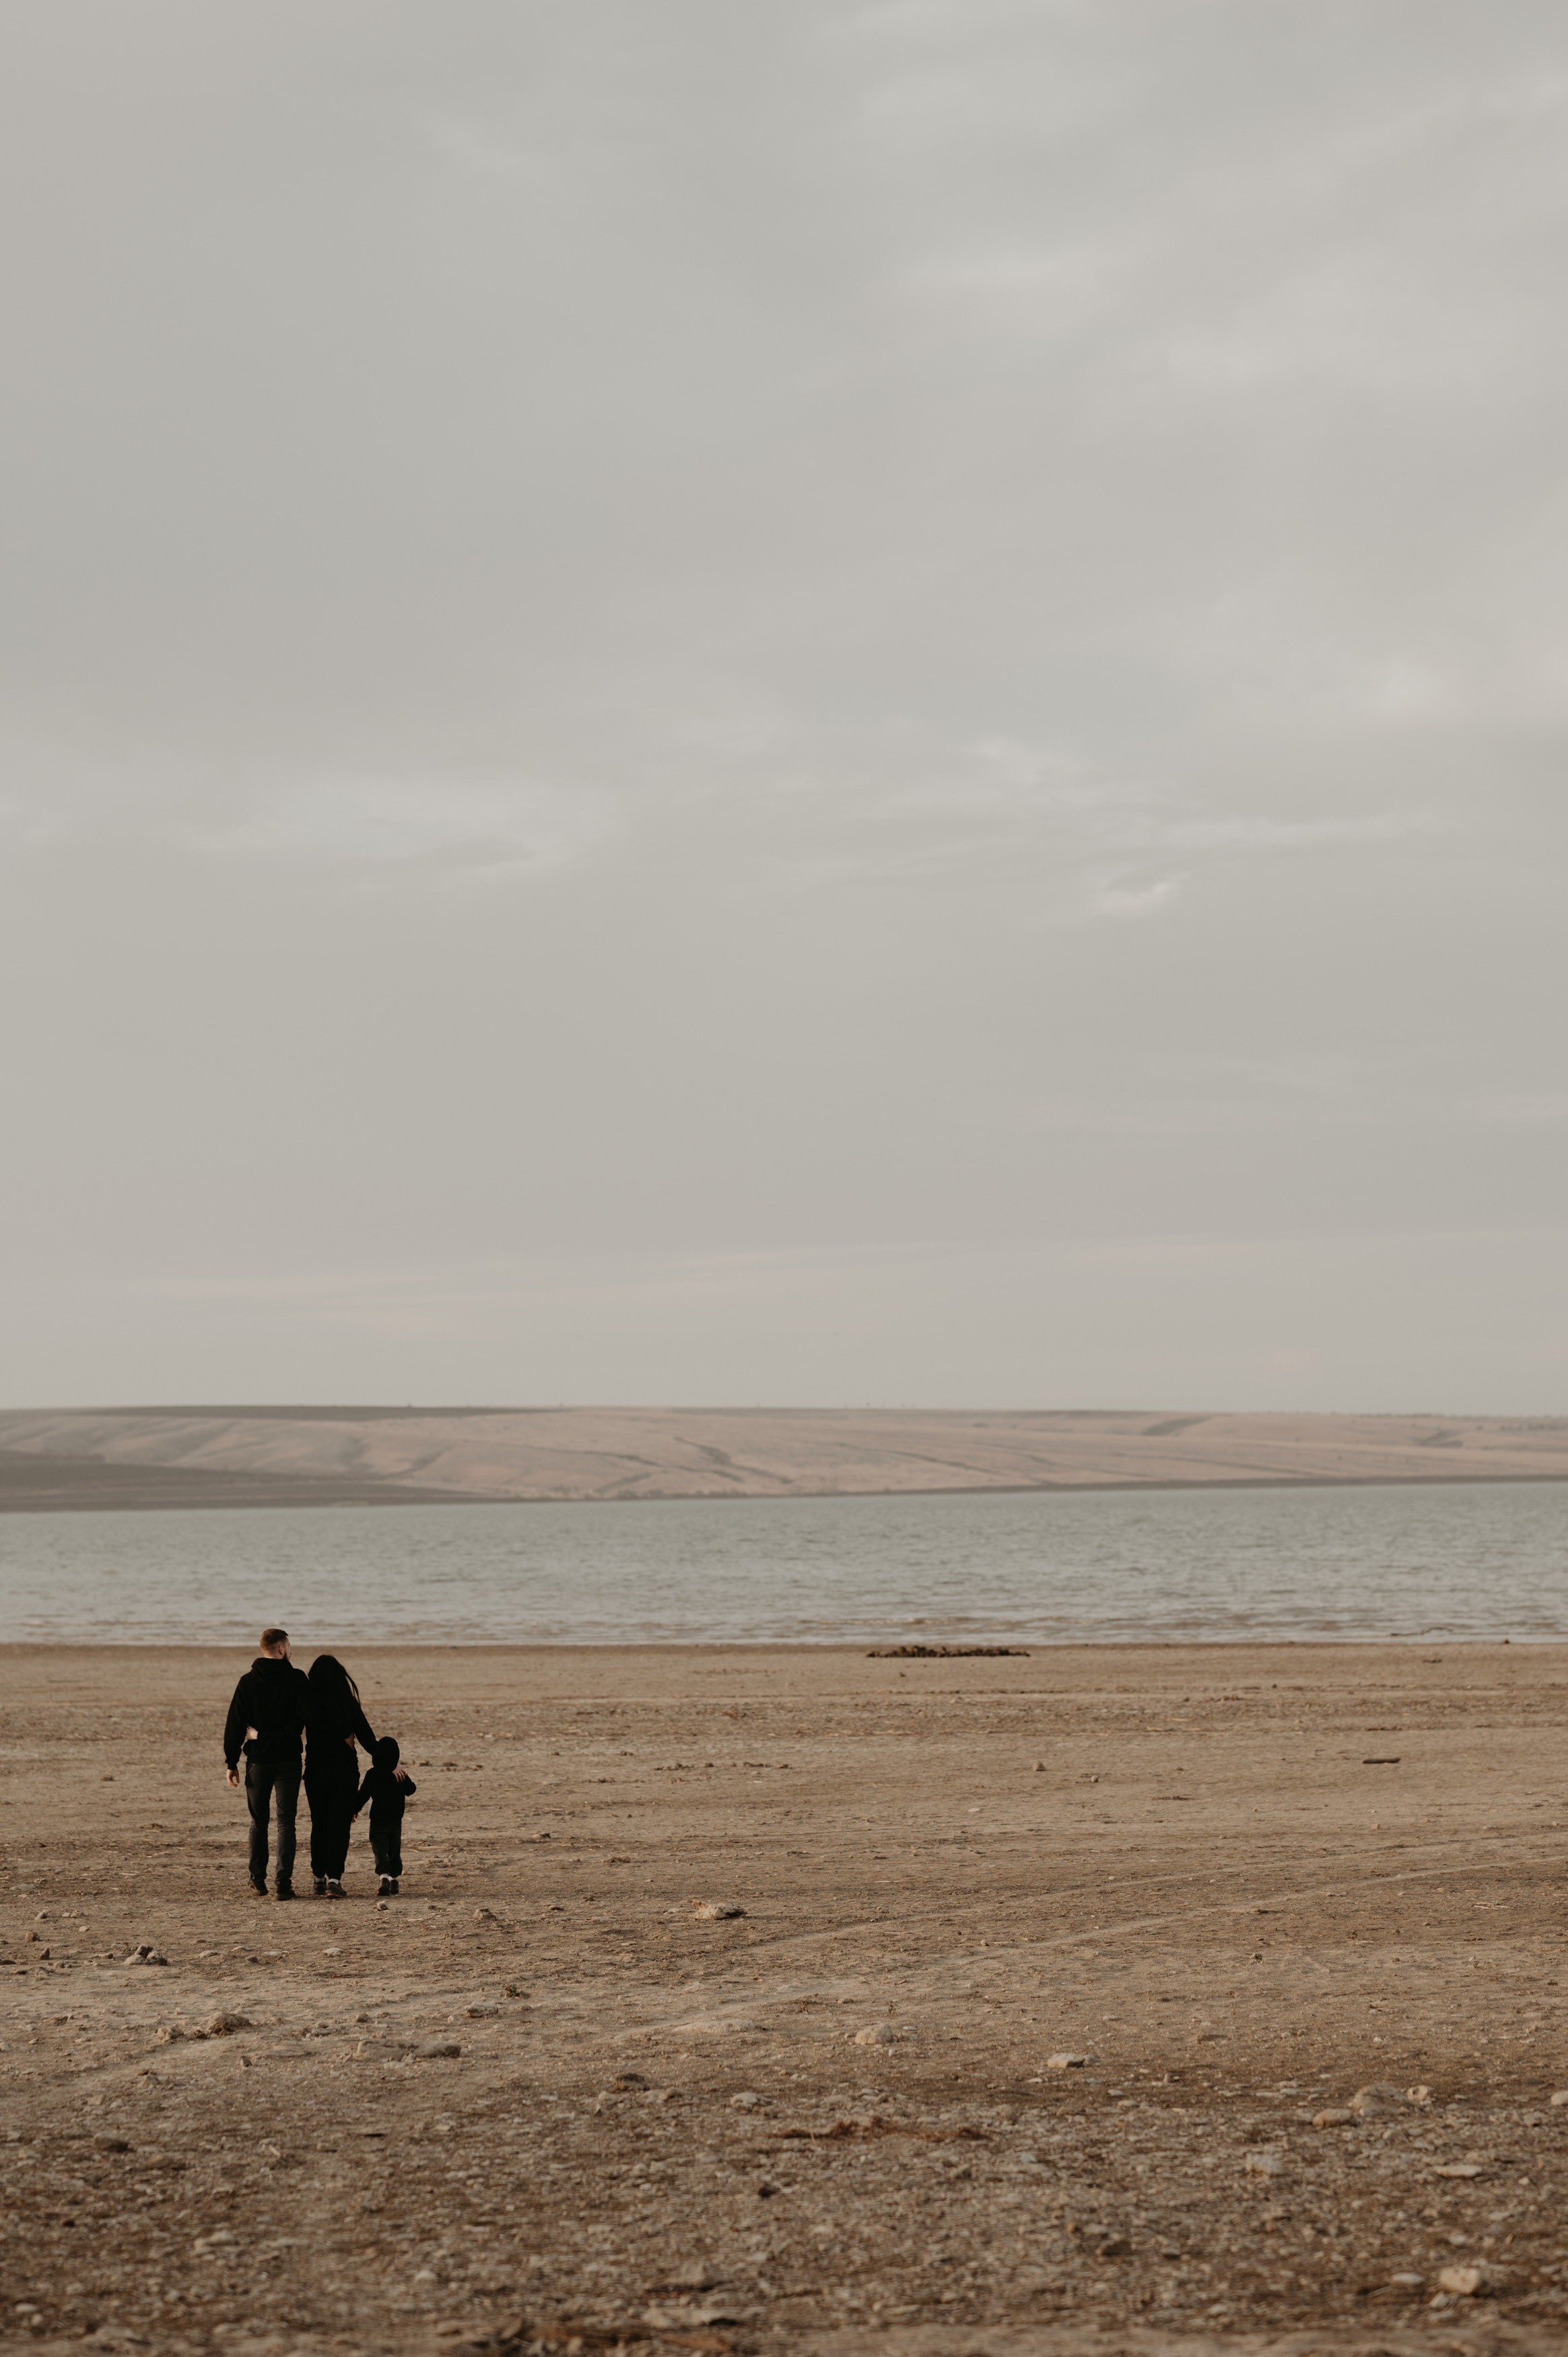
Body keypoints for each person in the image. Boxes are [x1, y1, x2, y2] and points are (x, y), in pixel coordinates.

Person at [224, 1628, 310, 1900]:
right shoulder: (297, 1679)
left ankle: (258, 1880)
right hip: (288, 1760)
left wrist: (232, 1760)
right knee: (286, 1822)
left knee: (258, 1822)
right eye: (290, 1646)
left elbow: (235, 1724)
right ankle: (283, 1883)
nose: (291, 1651)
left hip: (257, 1761)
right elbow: (300, 1724)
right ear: (282, 1649)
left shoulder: (248, 1681)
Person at [303, 1654, 378, 1898]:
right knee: (340, 1825)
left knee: (320, 1823)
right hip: (344, 1771)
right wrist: (389, 1763)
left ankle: (318, 1878)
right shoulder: (348, 1702)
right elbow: (368, 1739)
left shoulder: (308, 1703)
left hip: (316, 1771)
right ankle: (334, 1879)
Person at [355, 1735, 416, 1896]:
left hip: (377, 1821)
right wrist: (402, 1772)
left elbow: (363, 1795)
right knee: (395, 1850)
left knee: (380, 1850)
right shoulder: (399, 1774)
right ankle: (395, 1880)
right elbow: (411, 1790)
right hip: (396, 1821)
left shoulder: (372, 1774)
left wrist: (353, 1809)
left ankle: (384, 1877)